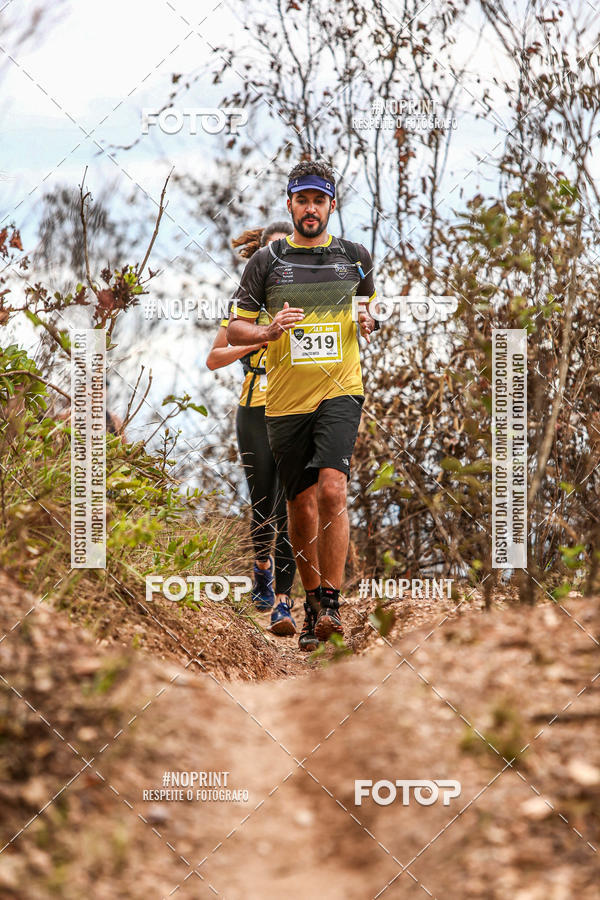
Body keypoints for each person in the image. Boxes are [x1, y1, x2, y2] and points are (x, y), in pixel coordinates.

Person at [227, 160, 377, 651]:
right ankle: (310, 605)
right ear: (290, 204)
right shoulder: (266, 263)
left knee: (333, 489)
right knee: (302, 504)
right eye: (302, 200)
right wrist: (268, 331)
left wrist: (370, 319)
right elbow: (235, 329)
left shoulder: (355, 257)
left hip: (341, 390)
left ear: (332, 205)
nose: (310, 209)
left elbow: (366, 305)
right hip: (286, 401)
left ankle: (332, 603)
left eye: (319, 200)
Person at [206, 221, 298, 636]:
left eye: (288, 251)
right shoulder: (244, 305)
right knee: (262, 499)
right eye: (272, 253)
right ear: (260, 258)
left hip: (298, 406)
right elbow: (214, 358)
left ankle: (284, 602)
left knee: (291, 505)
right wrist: (259, 339)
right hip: (254, 408)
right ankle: (261, 570)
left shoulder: (306, 300)